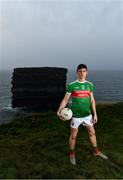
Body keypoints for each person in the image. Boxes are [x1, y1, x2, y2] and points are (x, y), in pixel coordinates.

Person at [57, 64, 108, 165]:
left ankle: (96, 151)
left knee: (92, 133)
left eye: (84, 71)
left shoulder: (90, 85)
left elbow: (92, 100)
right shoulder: (72, 85)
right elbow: (65, 99)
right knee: (73, 136)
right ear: (77, 72)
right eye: (80, 71)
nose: (82, 73)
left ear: (87, 72)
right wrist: (59, 110)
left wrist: (95, 114)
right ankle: (72, 153)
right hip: (76, 116)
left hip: (87, 115)